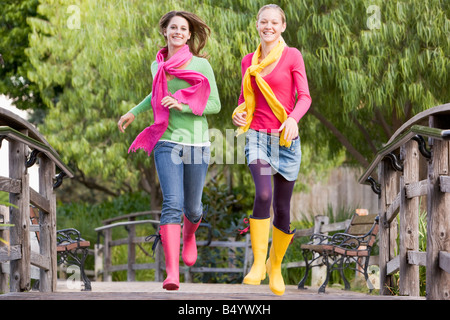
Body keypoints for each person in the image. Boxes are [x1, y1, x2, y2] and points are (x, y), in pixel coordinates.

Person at [118, 11, 221, 291]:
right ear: (165, 31)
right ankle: (172, 273)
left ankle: (190, 236)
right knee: (172, 203)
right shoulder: (158, 65)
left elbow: (214, 105)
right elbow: (156, 93)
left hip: (197, 144)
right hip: (167, 141)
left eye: (183, 28)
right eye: (172, 27)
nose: (177, 31)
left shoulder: (201, 65)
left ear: (189, 35)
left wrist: (184, 106)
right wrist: (134, 112)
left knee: (193, 208)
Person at [232, 4, 311, 296]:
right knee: (263, 194)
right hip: (256, 137)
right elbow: (244, 100)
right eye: (263, 22)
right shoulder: (247, 62)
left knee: (282, 209)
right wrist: (237, 115)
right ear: (257, 25)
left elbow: (304, 97)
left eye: (274, 22)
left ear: (283, 26)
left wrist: (293, 119)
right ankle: (258, 264)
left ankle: (274, 265)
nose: (268, 26)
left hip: (285, 139)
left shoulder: (293, 56)